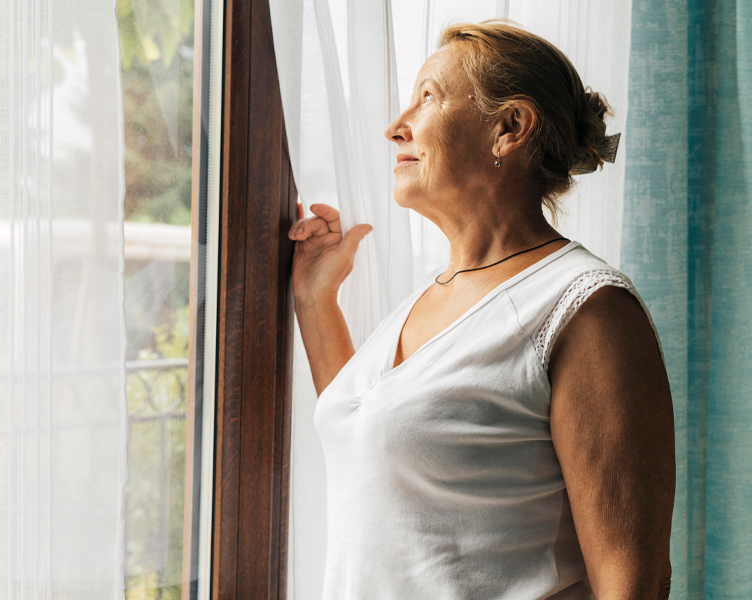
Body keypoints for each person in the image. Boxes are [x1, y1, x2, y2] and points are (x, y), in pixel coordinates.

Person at [287, 21, 675, 600]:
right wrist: (315, 299)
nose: (396, 128)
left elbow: (633, 583)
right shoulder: (429, 298)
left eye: (427, 98)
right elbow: (369, 447)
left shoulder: (586, 309)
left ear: (510, 127)